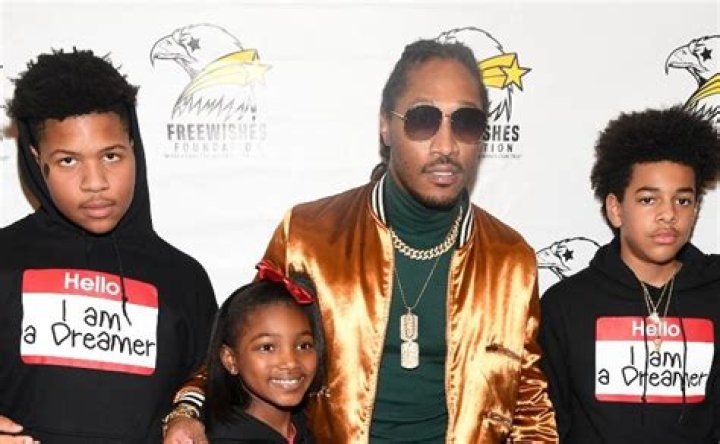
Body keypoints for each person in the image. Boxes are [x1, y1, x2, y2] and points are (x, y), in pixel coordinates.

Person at [165, 38, 557, 443]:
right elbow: (239, 344)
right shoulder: (309, 236)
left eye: (466, 122)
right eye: (423, 120)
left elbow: (528, 404)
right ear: (386, 125)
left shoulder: (510, 259)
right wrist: (186, 410)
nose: (446, 145)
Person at [0, 49, 218, 443]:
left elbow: (209, 382)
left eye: (111, 156)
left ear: (133, 146)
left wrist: (187, 416)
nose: (95, 182)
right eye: (68, 161)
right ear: (36, 159)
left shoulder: (183, 278)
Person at [539, 106, 720, 443]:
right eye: (649, 200)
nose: (668, 215)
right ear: (616, 209)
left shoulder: (714, 294)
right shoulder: (566, 305)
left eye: (682, 201)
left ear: (696, 208)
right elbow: (547, 425)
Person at [202, 260, 324, 443]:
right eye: (267, 347)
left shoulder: (308, 428)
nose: (291, 362)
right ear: (230, 359)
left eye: (303, 346)